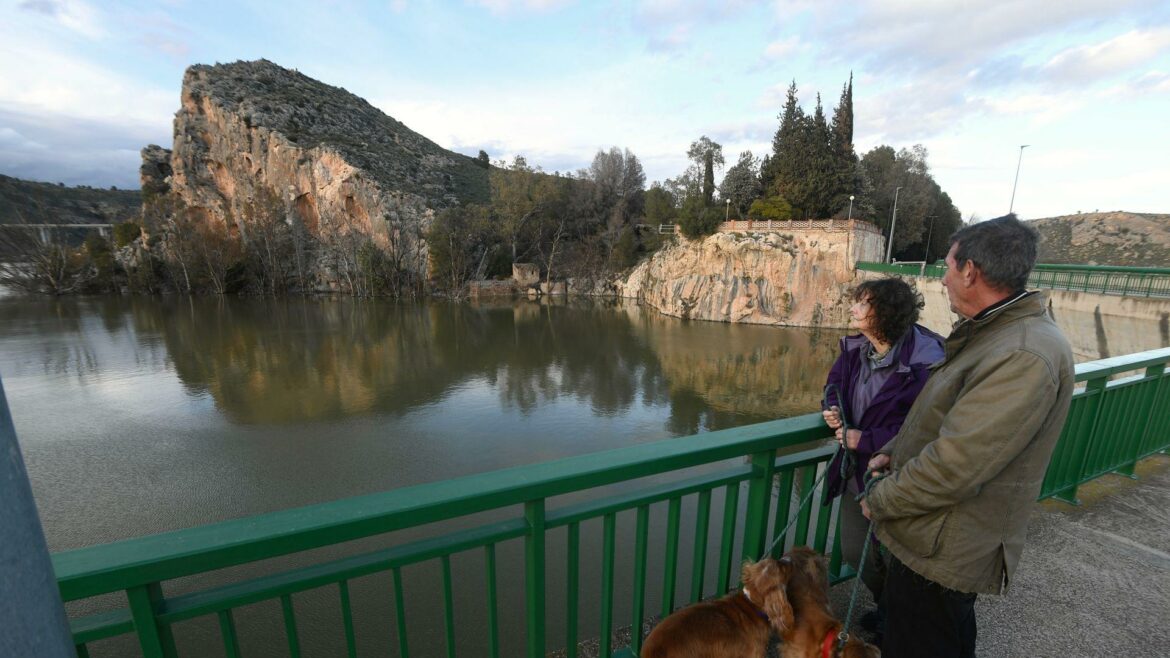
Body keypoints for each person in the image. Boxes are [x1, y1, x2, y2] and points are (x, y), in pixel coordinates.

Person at [860, 215, 1075, 658]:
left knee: (921, 642)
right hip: (937, 538)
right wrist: (892, 451)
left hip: (943, 549)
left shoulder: (1022, 353)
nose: (942, 279)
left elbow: (956, 464)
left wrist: (879, 501)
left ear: (970, 271)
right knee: (947, 640)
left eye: (947, 266)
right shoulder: (995, 334)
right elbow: (943, 418)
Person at [821, 278, 944, 638]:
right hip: (856, 471)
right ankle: (888, 607)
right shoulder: (855, 348)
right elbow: (832, 387)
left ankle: (899, 621)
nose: (853, 309)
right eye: (855, 302)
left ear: (885, 312)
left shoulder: (926, 359)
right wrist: (832, 410)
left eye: (863, 303)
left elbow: (927, 426)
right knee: (855, 547)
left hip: (900, 473)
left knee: (898, 554)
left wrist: (867, 438)